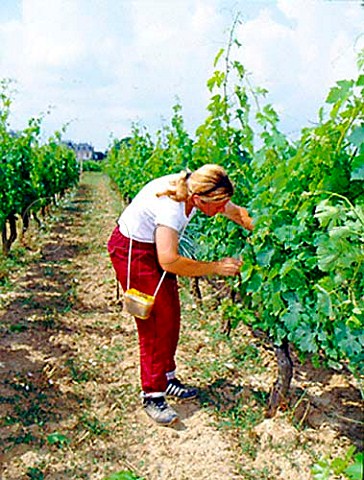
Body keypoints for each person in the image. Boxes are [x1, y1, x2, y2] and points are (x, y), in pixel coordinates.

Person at [107, 164, 253, 426]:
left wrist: (267, 232)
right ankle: (152, 395)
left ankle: (167, 377)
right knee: (153, 321)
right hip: (132, 251)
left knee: (171, 314)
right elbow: (170, 260)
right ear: (198, 200)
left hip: (152, 246)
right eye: (217, 205)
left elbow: (236, 213)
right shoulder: (171, 209)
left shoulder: (198, 187)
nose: (221, 210)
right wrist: (216, 267)